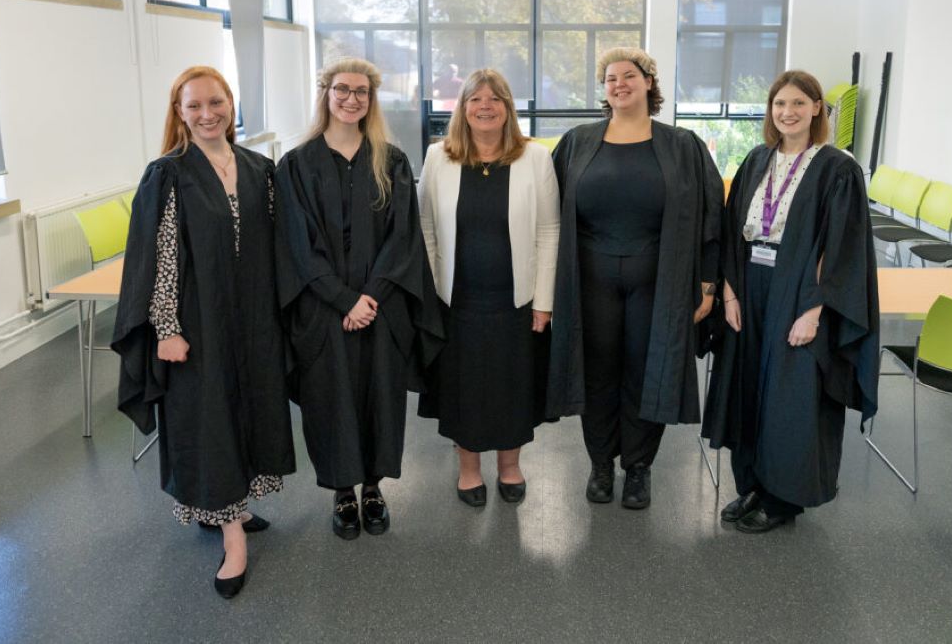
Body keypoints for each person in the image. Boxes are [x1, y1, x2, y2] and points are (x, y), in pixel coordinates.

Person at [113, 65, 295, 599]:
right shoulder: (168, 173)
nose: (207, 114)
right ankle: (232, 537)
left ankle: (231, 503)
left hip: (254, 319)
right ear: (180, 113)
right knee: (211, 419)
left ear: (231, 104)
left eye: (216, 103)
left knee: (250, 410)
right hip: (199, 322)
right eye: (194, 106)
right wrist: (166, 328)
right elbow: (159, 257)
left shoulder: (260, 169)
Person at [702, 69, 879, 534]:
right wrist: (729, 291)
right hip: (751, 286)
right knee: (749, 386)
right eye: (780, 104)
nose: (789, 112)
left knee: (792, 393)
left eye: (799, 103)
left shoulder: (837, 168)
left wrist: (815, 309)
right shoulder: (758, 159)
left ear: (818, 108)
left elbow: (841, 247)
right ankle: (756, 484)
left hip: (798, 289)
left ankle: (785, 499)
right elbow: (731, 228)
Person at [547, 47, 724, 510]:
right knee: (598, 371)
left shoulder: (682, 145)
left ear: (649, 82)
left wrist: (707, 283)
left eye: (629, 75)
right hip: (590, 279)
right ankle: (601, 463)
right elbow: (550, 213)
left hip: (659, 281)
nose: (619, 84)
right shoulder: (578, 142)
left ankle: (639, 467)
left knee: (651, 371)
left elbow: (710, 218)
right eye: (609, 78)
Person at [275, 58, 441, 541]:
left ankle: (373, 487)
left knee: (379, 396)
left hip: (382, 309)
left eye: (362, 92)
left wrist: (369, 297)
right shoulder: (296, 165)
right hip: (323, 309)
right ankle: (342, 491)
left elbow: (403, 239)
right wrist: (343, 299)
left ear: (371, 99)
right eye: (342, 90)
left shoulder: (389, 160)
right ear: (326, 94)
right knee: (331, 400)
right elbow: (297, 245)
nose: (352, 99)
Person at [417, 68, 559, 506]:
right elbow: (424, 227)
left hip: (516, 301)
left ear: (508, 108)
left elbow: (549, 230)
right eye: (475, 98)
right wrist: (428, 297)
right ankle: (468, 469)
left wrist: (544, 301)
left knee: (512, 386)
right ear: (462, 108)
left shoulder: (535, 158)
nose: (485, 106)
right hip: (455, 301)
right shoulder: (438, 157)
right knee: (463, 389)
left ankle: (510, 466)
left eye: (495, 98)